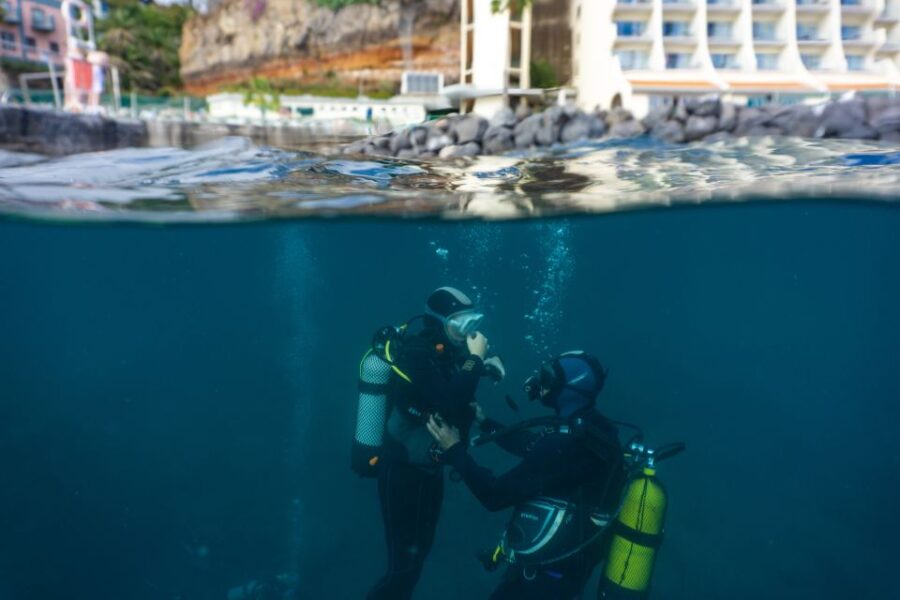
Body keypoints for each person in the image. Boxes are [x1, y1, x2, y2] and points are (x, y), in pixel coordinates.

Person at [427, 350, 626, 600]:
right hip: (561, 572)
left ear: (570, 386)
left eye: (547, 377)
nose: (540, 383)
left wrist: (454, 449)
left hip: (546, 580)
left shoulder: (567, 443)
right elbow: (534, 447)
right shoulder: (591, 428)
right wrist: (486, 423)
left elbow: (494, 495)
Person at [352, 286, 505, 600]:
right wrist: (477, 359)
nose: (468, 332)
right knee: (402, 568)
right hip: (402, 473)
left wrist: (486, 360)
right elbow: (450, 399)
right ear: (437, 322)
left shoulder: (448, 351)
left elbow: (460, 379)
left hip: (429, 472)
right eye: (460, 325)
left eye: (472, 323)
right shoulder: (416, 354)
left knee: (417, 559)